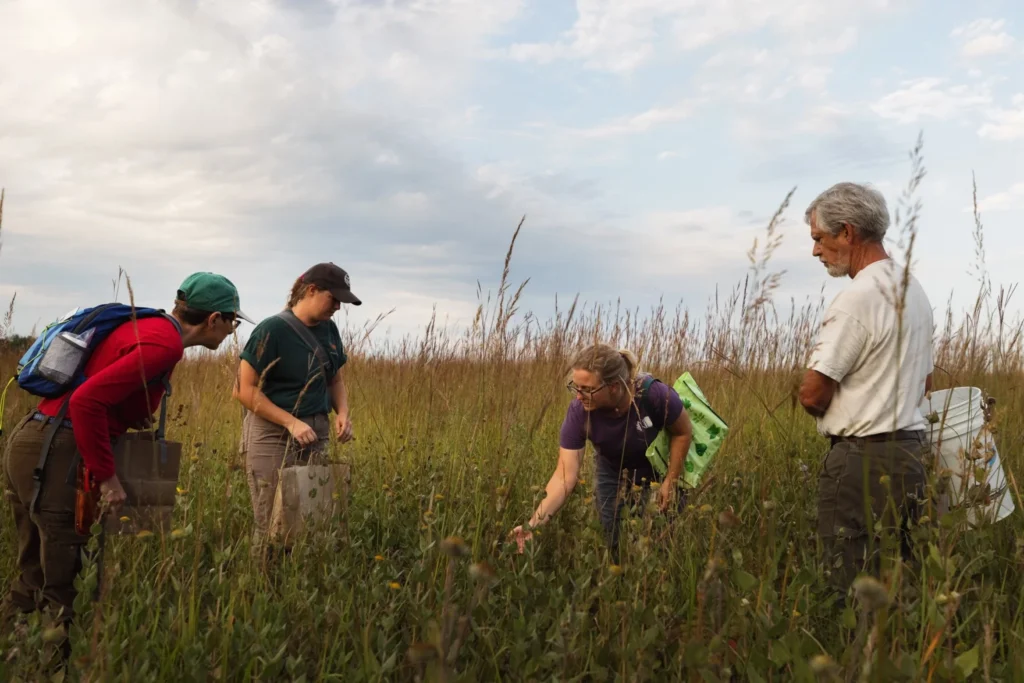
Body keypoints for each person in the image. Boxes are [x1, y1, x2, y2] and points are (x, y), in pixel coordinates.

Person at [1, 272, 250, 657]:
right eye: (233, 321)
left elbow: (100, 388)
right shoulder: (165, 345)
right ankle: (49, 666)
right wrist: (108, 478)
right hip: (58, 450)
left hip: (34, 439)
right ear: (213, 319)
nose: (232, 331)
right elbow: (86, 402)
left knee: (33, 570)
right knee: (64, 577)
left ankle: (14, 655)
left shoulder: (148, 326)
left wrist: (131, 414)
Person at [797, 181, 934, 592]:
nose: (816, 251)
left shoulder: (857, 297)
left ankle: (853, 656)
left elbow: (812, 394)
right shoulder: (913, 290)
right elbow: (925, 383)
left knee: (848, 584)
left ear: (847, 232)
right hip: (912, 457)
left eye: (819, 238)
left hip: (861, 463)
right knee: (901, 578)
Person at [510, 343, 693, 562]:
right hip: (612, 470)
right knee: (611, 535)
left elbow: (682, 432)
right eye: (575, 387)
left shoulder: (653, 395)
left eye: (586, 389)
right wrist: (533, 524)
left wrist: (670, 481)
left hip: (659, 471)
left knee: (658, 541)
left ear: (614, 387)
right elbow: (564, 476)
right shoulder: (579, 412)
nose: (578, 396)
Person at [233, 262, 359, 560]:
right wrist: (291, 423)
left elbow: (335, 379)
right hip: (272, 435)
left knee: (308, 519)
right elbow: (244, 389)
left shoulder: (329, 330)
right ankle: (263, 587)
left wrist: (342, 413)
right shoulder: (272, 329)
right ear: (311, 291)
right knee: (272, 522)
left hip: (316, 433)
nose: (339, 307)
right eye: (334, 299)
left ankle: (293, 585)